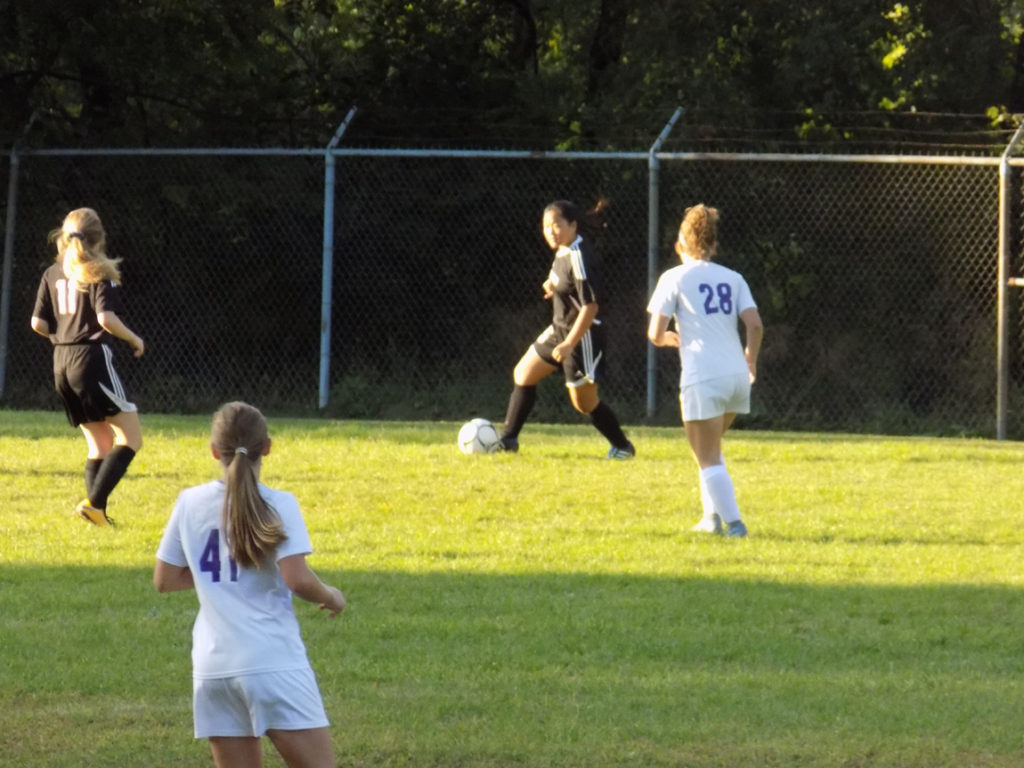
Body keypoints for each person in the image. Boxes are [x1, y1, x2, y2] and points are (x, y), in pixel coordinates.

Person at [154, 401, 347, 768]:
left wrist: (220, 573)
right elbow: (297, 578)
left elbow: (165, 579)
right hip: (272, 661)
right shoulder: (279, 503)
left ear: (215, 451)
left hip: (213, 667)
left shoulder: (189, 502)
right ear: (267, 447)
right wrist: (333, 596)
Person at [646, 204, 763, 537]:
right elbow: (755, 325)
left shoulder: (674, 277)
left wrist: (669, 339)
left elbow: (655, 333)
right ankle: (710, 520)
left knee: (706, 455)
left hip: (704, 375)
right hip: (737, 377)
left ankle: (735, 525)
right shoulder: (733, 278)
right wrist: (751, 358)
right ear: (713, 245)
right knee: (711, 450)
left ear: (680, 243)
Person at [30, 207, 145, 526]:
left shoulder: (52, 273)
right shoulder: (97, 272)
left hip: (61, 361)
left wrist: (64, 336)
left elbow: (37, 323)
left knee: (100, 443)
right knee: (131, 438)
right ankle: (94, 505)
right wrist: (134, 339)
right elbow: (106, 318)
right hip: (91, 359)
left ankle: (97, 514)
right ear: (99, 238)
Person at [498, 198, 635, 458]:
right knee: (523, 374)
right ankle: (507, 441)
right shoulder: (563, 250)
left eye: (556, 225)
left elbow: (590, 307)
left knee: (584, 403)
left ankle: (622, 446)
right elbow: (565, 282)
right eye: (546, 226)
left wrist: (569, 343)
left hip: (582, 337)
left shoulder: (579, 257)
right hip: (559, 330)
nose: (550, 231)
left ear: (573, 225)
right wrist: (552, 285)